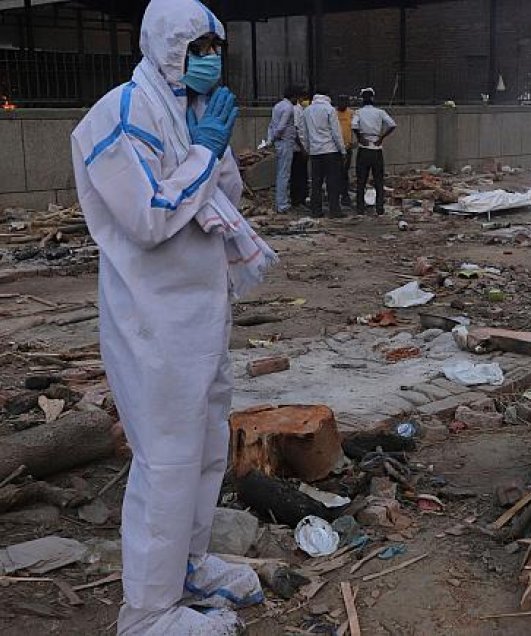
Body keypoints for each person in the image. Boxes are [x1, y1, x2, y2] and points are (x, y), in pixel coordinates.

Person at [70, 1, 277, 633]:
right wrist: (205, 152)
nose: (211, 59)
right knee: (165, 460)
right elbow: (151, 217)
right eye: (199, 48)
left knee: (207, 446)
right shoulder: (119, 116)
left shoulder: (187, 111)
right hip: (152, 319)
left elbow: (225, 195)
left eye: (217, 47)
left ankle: (186, 565)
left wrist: (210, 145)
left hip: (198, 309)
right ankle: (147, 611)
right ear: (166, 48)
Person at [352, 87, 396, 216]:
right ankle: (379, 208)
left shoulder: (358, 112)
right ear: (372, 98)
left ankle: (360, 208)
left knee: (361, 180)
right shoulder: (380, 112)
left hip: (364, 148)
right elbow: (392, 124)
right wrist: (382, 137)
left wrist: (360, 137)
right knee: (378, 180)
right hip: (376, 148)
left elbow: (354, 125)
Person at [302, 90, 346, 218]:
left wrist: (308, 149)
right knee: (332, 182)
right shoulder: (329, 109)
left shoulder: (307, 111)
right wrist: (342, 150)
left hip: (315, 152)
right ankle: (334, 210)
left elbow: (305, 133)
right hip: (330, 150)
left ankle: (316, 210)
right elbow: (336, 132)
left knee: (316, 183)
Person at [268, 87, 298, 213]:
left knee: (281, 173)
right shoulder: (289, 107)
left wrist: (270, 140)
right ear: (293, 96)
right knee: (284, 174)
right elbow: (281, 126)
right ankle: (282, 204)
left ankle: (280, 202)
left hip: (280, 142)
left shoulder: (277, 106)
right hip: (285, 142)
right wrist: (275, 137)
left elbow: (271, 124)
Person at [290, 88, 310, 210]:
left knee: (301, 174)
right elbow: (295, 130)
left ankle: (300, 199)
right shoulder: (296, 110)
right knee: (298, 175)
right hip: (297, 149)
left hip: (300, 147)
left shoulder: (300, 109)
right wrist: (302, 148)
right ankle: (298, 200)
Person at [335, 95, 354, 207]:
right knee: (335, 173)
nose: (343, 104)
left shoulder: (351, 113)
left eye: (345, 102)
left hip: (347, 148)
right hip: (335, 148)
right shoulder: (333, 113)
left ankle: (344, 195)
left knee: (344, 172)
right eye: (341, 102)